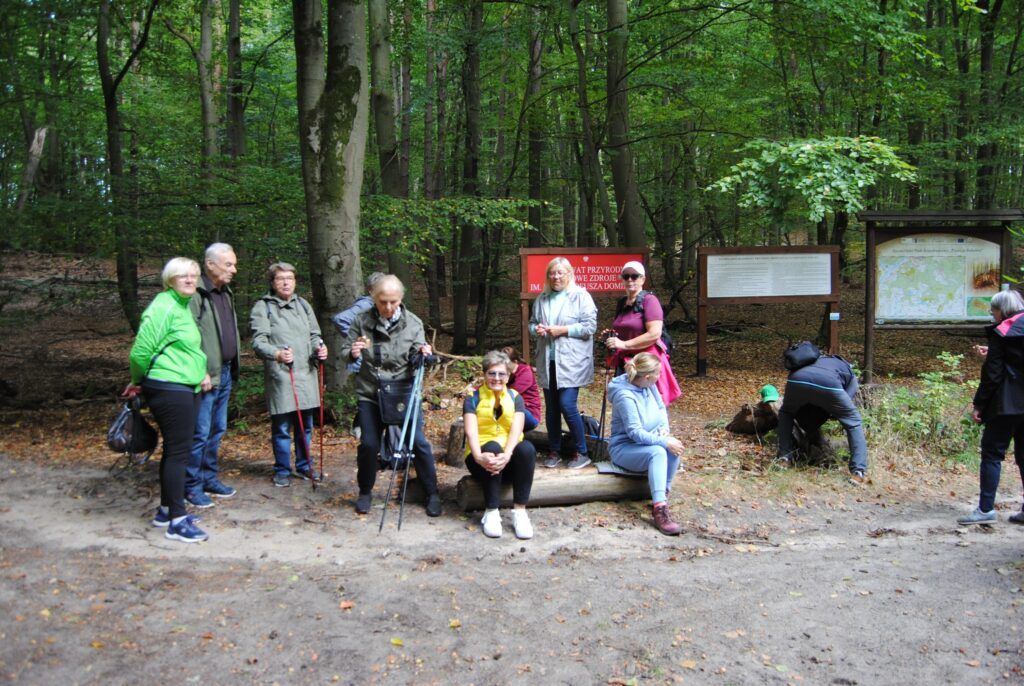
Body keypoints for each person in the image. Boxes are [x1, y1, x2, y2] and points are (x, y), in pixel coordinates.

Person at [340, 274, 442, 517]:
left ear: (401, 299)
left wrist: (423, 354)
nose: (387, 307)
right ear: (374, 298)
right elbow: (345, 351)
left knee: (418, 442)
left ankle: (433, 492)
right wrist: (353, 353)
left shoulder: (413, 322)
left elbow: (418, 356)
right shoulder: (361, 321)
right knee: (369, 444)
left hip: (403, 392)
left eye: (393, 302)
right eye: (383, 301)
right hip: (371, 391)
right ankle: (365, 491)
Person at [124, 257, 211, 543]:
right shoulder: (162, 307)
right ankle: (177, 520)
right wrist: (137, 381)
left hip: (186, 386)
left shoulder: (181, 306)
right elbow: (140, 352)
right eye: (183, 275)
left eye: (194, 275)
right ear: (169, 279)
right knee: (178, 453)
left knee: (176, 450)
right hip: (169, 387)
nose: (190, 280)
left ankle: (165, 510)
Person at [250, 262, 328, 488]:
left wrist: (319, 349)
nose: (285, 282)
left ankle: (305, 466)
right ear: (272, 283)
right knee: (282, 427)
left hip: (306, 373)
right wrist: (276, 354)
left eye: (290, 278)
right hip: (282, 375)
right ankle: (282, 469)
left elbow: (315, 334)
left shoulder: (303, 305)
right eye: (280, 278)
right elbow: (258, 342)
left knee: (305, 425)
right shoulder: (263, 308)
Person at [958, 289, 1024, 525]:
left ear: (1001, 310)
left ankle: (985, 509)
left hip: (1006, 405)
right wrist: (994, 354)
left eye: (993, 310)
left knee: (992, 454)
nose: (991, 314)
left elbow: (993, 375)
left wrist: (979, 405)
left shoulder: (1002, 332)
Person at [185, 243, 241, 509]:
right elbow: (189, 336)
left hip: (225, 371)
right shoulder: (196, 293)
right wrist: (200, 370)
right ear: (210, 264)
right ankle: (191, 485)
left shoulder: (225, 292)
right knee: (200, 432)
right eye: (229, 264)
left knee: (217, 430)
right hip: (205, 375)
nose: (234, 269)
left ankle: (209, 478)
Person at [529, 257, 597, 469]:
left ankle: (581, 451)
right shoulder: (542, 298)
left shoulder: (581, 296)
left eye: (561, 273)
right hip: (548, 360)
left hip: (572, 361)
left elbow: (589, 326)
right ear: (548, 275)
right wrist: (537, 330)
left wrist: (563, 330)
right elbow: (532, 324)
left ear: (569, 274)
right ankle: (554, 450)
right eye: (553, 273)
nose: (556, 277)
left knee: (567, 404)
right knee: (552, 408)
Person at [607, 352, 686, 535]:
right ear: (649, 376)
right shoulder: (625, 396)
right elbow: (635, 433)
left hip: (649, 442)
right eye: (658, 373)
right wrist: (663, 441)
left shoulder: (648, 385)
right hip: (624, 448)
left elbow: (661, 409)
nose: (661, 376)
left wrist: (665, 432)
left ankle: (662, 495)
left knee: (672, 448)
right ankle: (659, 511)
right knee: (659, 451)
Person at [463, 351, 537, 538]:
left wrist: (508, 454)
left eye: (501, 374)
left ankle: (520, 512)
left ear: (509, 375)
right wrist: (479, 456)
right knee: (493, 448)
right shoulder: (473, 397)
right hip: (480, 457)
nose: (497, 378)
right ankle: (491, 512)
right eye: (492, 373)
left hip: (507, 457)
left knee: (527, 448)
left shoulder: (515, 397)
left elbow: (517, 429)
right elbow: (471, 431)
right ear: (485, 374)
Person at [776, 348, 868, 485]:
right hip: (830, 385)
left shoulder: (811, 361)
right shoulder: (849, 372)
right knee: (853, 422)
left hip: (796, 381)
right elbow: (845, 405)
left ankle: (784, 459)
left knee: (786, 413)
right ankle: (858, 472)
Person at [603, 260, 681, 406]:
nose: (630, 280)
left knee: (648, 407)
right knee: (626, 405)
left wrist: (624, 344)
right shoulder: (622, 303)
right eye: (626, 276)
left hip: (645, 366)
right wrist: (612, 337)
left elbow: (654, 334)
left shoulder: (650, 301)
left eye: (634, 276)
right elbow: (625, 330)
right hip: (626, 363)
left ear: (643, 279)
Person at [332, 271, 387, 374]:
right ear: (371, 290)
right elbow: (340, 319)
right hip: (363, 365)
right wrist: (357, 337)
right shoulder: (365, 305)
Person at [498, 346, 541, 432]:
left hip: (529, 414)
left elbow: (511, 393)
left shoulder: (525, 371)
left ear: (515, 362)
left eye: (506, 363)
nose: (503, 366)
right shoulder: (505, 372)